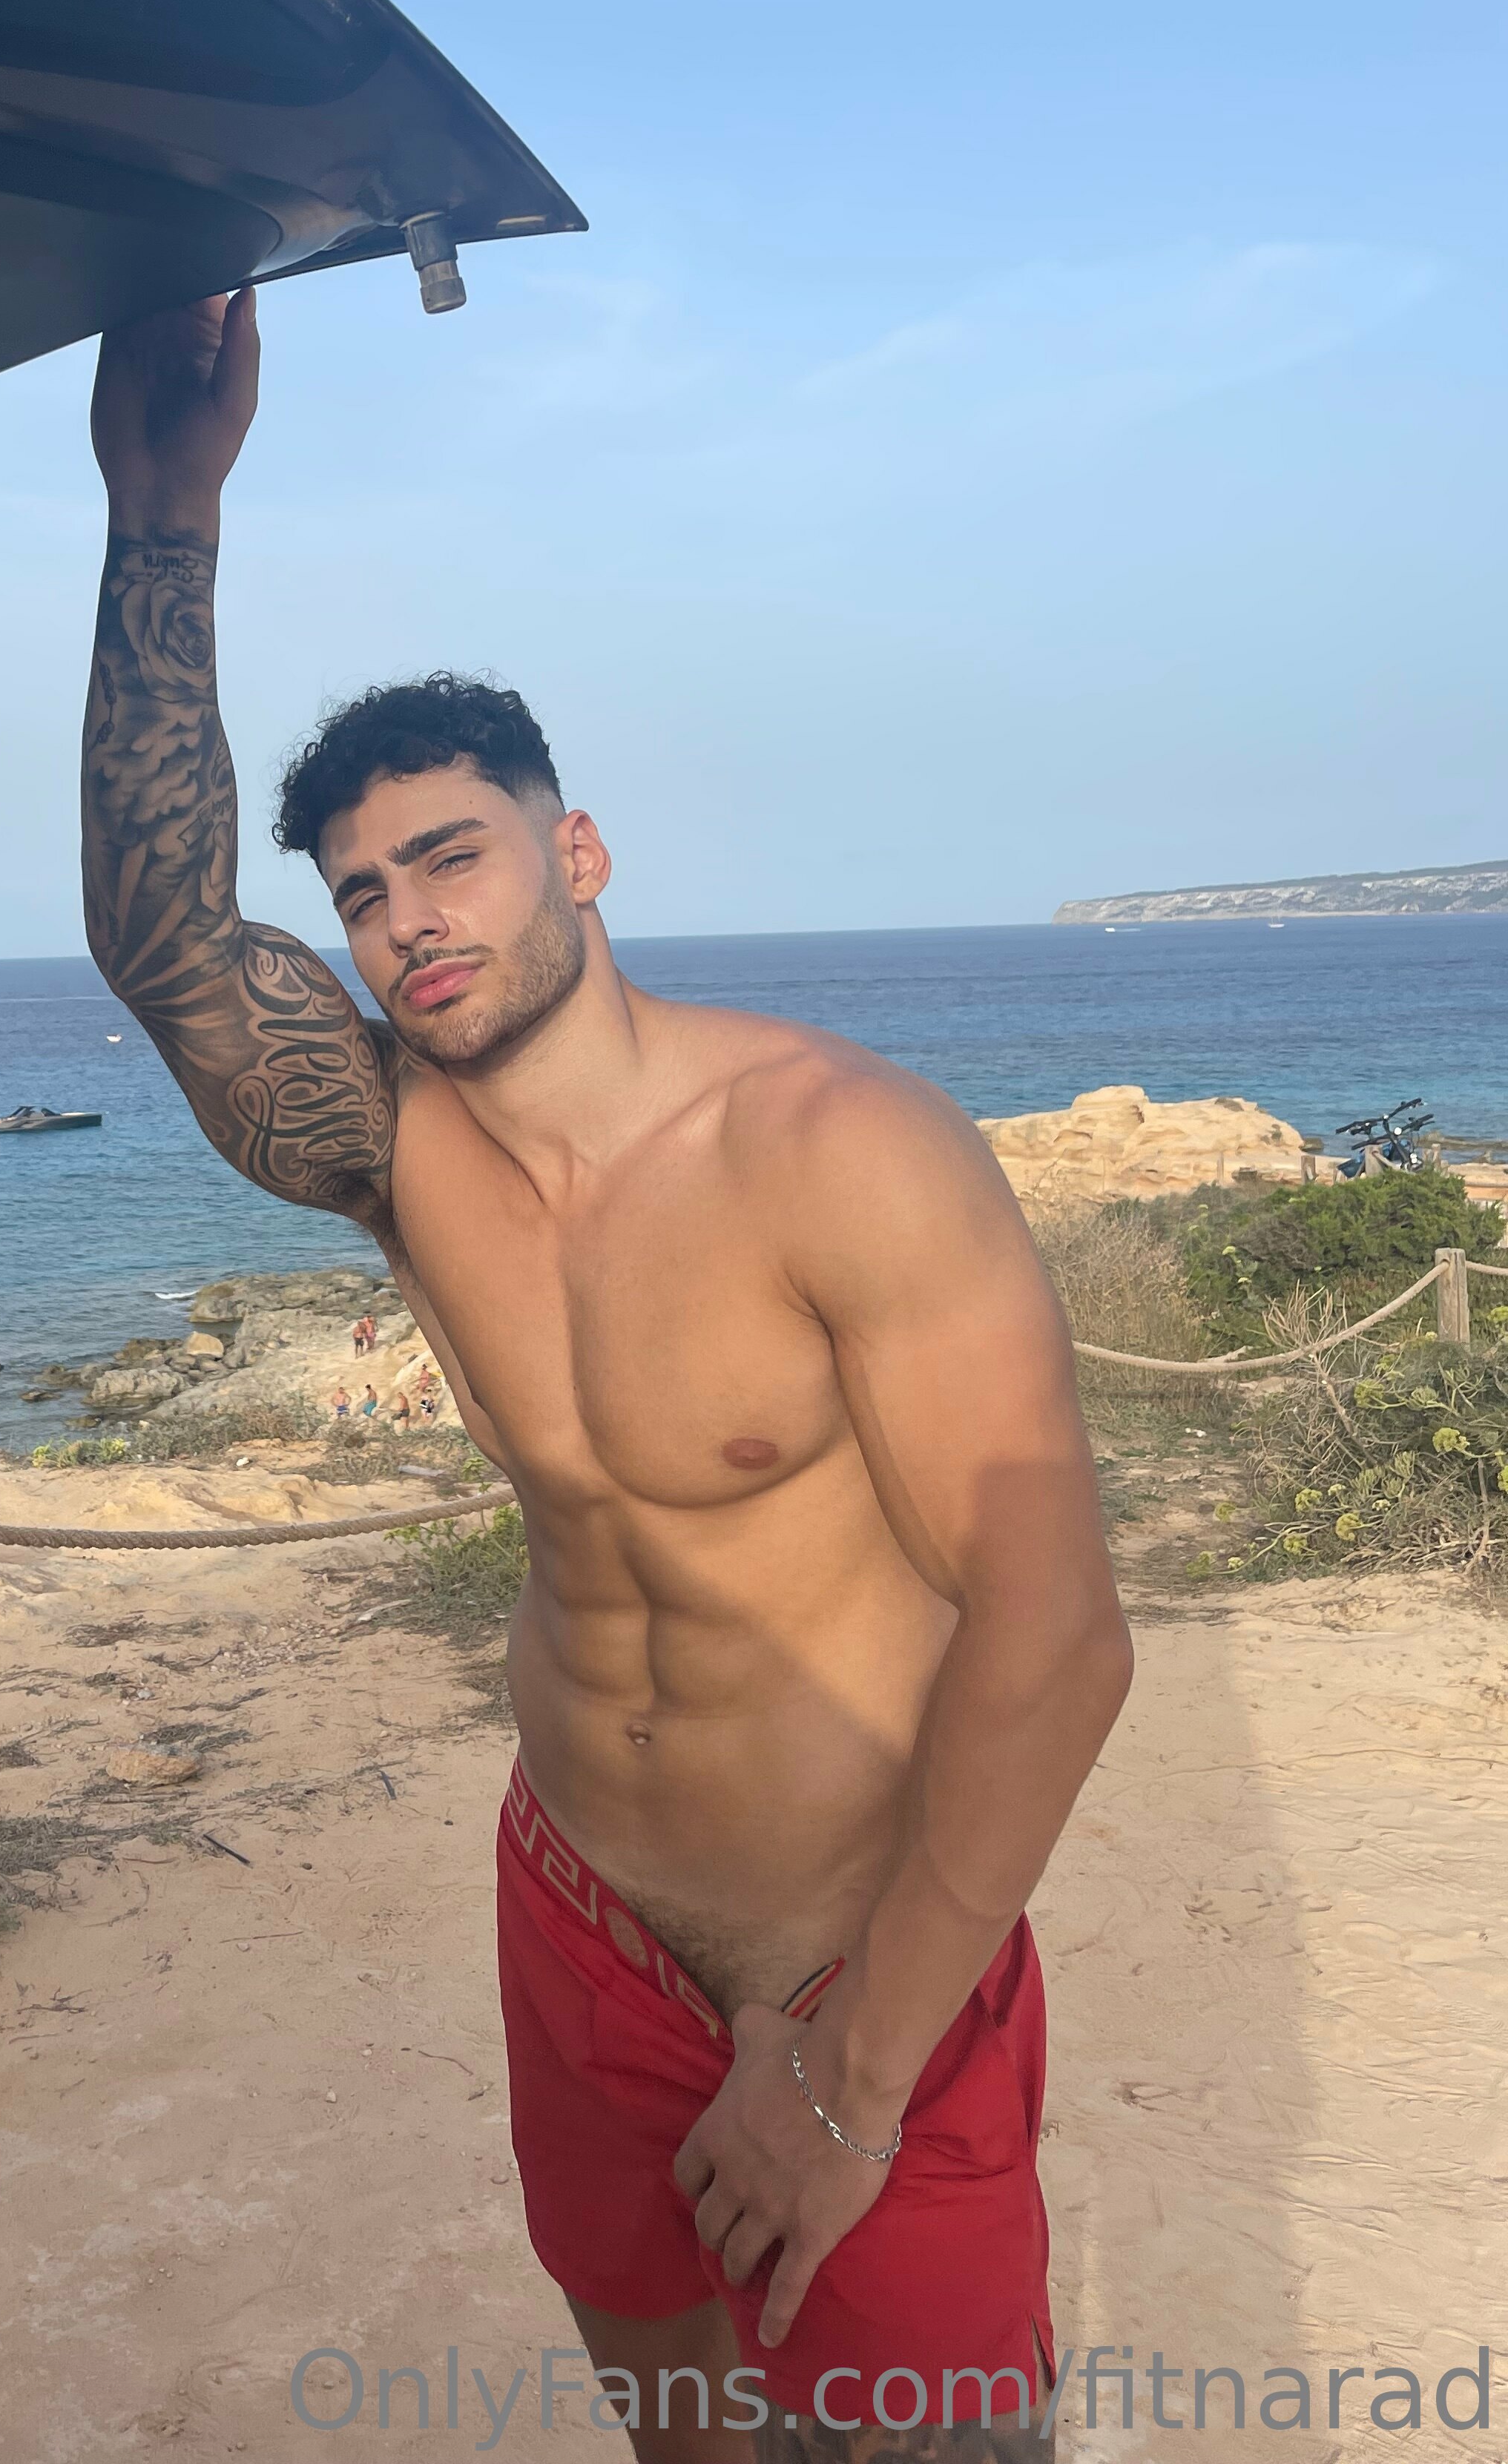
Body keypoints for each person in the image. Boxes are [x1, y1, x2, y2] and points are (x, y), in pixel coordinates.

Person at [79, 290, 1133, 2464]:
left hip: (863, 1958)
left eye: (448, 855)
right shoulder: (399, 1156)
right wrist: (160, 511)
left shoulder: (837, 1146)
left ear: (579, 852)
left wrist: (847, 2078)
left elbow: (1056, 1637)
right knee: (682, 2433)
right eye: (363, 895)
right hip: (581, 1921)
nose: (405, 920)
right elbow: (166, 943)